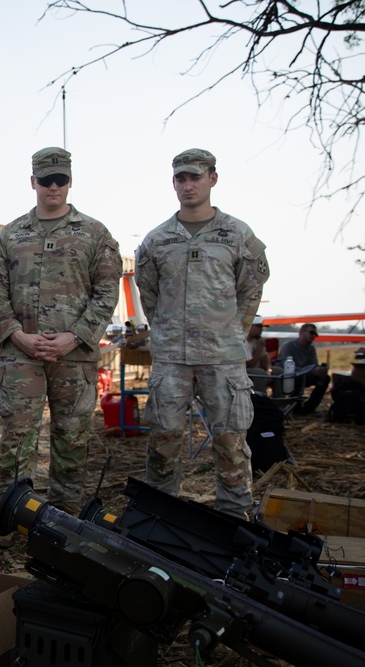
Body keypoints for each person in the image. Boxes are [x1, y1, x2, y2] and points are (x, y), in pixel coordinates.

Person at [0, 147, 121, 547]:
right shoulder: (10, 235)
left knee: (72, 436)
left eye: (61, 179)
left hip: (74, 357)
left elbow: (106, 290)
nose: (54, 187)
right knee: (17, 437)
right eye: (46, 180)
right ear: (33, 183)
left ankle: (64, 522)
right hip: (20, 354)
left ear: (70, 182)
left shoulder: (95, 234)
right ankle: (8, 517)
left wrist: (75, 336)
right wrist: (17, 335)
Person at [135, 148, 270, 519]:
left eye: (196, 176)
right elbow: (149, 293)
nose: (188, 184)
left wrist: (232, 333)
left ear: (213, 178)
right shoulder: (157, 239)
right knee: (163, 439)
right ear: (173, 183)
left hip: (222, 358)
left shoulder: (237, 234)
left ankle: (234, 518)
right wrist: (166, 332)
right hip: (172, 359)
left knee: (230, 441)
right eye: (181, 178)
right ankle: (160, 518)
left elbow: (251, 289)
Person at [274, 323, 330, 414]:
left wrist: (320, 371)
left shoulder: (311, 349)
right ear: (301, 332)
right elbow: (285, 365)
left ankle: (309, 408)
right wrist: (310, 371)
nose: (313, 336)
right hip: (289, 376)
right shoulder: (288, 346)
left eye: (315, 334)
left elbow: (313, 365)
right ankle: (296, 407)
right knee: (296, 379)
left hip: (305, 375)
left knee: (325, 378)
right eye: (311, 332)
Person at [245, 315, 272, 393]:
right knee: (259, 372)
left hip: (257, 369)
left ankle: (280, 401)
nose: (261, 330)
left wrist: (269, 370)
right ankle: (260, 399)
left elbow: (265, 359)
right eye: (259, 327)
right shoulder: (243, 341)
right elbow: (250, 365)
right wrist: (259, 348)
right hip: (245, 371)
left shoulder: (257, 341)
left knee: (278, 371)